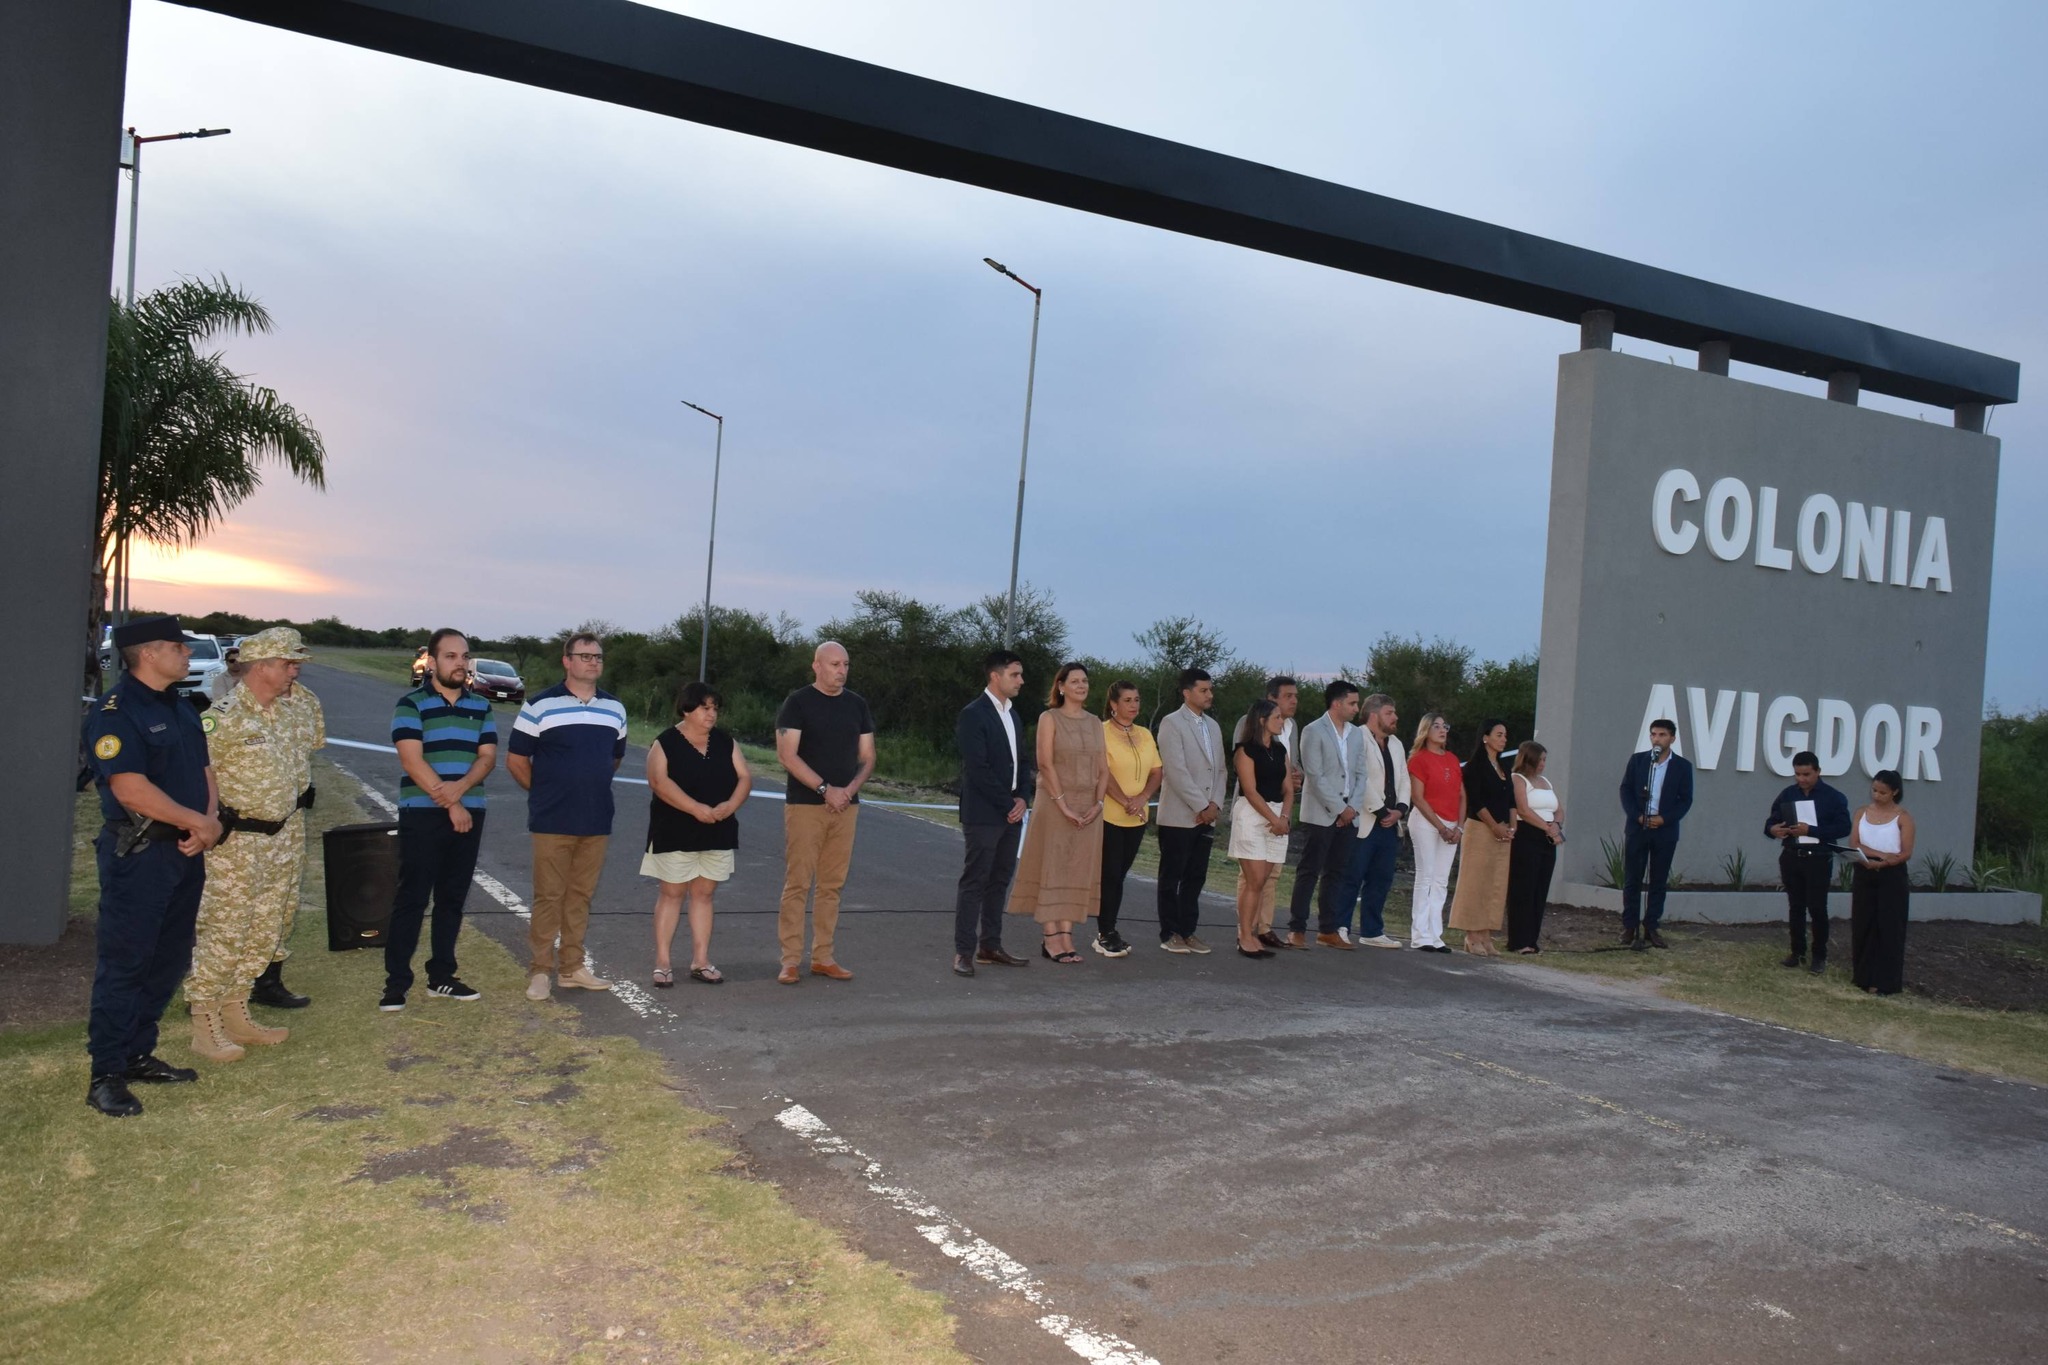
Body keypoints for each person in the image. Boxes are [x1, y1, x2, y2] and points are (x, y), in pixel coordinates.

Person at [81, 616, 222, 1117]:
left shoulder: (181, 708)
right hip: (140, 855)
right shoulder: (117, 713)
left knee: (168, 959)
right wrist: (197, 824)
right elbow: (129, 788)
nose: (187, 655)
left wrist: (208, 821)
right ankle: (107, 1073)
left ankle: (139, 1053)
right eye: (178, 648)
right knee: (127, 963)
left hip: (184, 849)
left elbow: (204, 771)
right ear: (148, 653)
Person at [184, 628, 324, 1066]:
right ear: (260, 665)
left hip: (284, 836)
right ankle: (205, 1023)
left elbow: (306, 755)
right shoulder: (221, 717)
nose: (294, 670)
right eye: (287, 663)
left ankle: (237, 1009)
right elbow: (198, 777)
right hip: (237, 843)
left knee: (267, 926)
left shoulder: (294, 709)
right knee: (227, 929)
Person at [508, 633, 627, 1000]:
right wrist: (545, 794)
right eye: (584, 656)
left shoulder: (615, 709)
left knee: (580, 896)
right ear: (567, 661)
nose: (593, 662)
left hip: (595, 819)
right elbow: (515, 760)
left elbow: (614, 759)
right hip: (552, 820)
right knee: (549, 896)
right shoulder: (540, 705)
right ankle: (540, 971)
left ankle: (572, 968)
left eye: (598, 656)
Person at [383, 628, 497, 1010]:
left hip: (470, 811)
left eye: (464, 656)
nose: (460, 663)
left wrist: (461, 791)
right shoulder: (410, 704)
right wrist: (451, 803)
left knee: (452, 899)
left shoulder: (481, 706)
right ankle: (396, 984)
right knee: (412, 899)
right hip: (423, 813)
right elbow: (412, 760)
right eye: (450, 656)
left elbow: (487, 758)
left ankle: (442, 977)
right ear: (431, 662)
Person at [775, 641, 875, 984]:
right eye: (835, 664)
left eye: (846, 664)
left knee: (832, 885)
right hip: (806, 805)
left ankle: (823, 956)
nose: (842, 670)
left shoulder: (857, 705)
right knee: (798, 883)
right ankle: (790, 960)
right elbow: (787, 755)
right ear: (816, 666)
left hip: (846, 806)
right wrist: (824, 789)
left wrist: (849, 790)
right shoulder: (798, 703)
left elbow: (868, 757)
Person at [644, 680, 750, 986]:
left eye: (715, 708)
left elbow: (744, 777)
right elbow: (658, 782)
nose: (711, 713)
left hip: (718, 829)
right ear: (687, 709)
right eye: (705, 707)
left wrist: (731, 805)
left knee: (704, 894)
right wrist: (694, 808)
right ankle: (663, 962)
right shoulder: (665, 742)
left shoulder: (726, 742)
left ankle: (701, 961)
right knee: (672, 893)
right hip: (674, 830)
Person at [1009, 662, 1109, 964]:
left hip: (1089, 808)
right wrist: (1063, 804)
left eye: (1085, 681)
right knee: (1052, 865)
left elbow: (1104, 767)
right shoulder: (1049, 718)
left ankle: (1067, 933)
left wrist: (1098, 803)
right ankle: (1050, 935)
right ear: (1061, 686)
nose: (1081, 686)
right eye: (1075, 681)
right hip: (1055, 804)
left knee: (1077, 867)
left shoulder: (1094, 722)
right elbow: (1046, 762)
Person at [952, 650, 1036, 977]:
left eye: (1021, 674)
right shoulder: (973, 714)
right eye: (1015, 674)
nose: (1021, 681)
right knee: (975, 881)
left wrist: (1023, 799)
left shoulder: (1013, 714)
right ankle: (963, 952)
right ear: (995, 676)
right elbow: (977, 768)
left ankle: (990, 945)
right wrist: (1008, 803)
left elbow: (1024, 762)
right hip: (984, 813)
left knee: (999, 881)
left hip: (1011, 812)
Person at [1155, 667, 1226, 954]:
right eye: (1203, 690)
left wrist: (1215, 805)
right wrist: (1200, 805)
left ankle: (1188, 930)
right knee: (1172, 876)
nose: (1209, 694)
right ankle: (1170, 931)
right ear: (1187, 693)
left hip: (1206, 816)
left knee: (1196, 876)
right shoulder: (1171, 723)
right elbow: (1176, 770)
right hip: (1179, 815)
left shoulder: (1214, 726)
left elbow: (1220, 769)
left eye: (1210, 689)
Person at [1330, 693, 1409, 949]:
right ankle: (1339, 926)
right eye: (1389, 712)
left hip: (1390, 822)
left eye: (1394, 712)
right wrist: (1381, 810)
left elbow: (1404, 779)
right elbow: (1358, 778)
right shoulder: (1357, 737)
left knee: (1382, 877)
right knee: (1352, 875)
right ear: (1374, 715)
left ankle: (1372, 930)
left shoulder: (1395, 743)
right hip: (1365, 819)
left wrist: (1400, 809)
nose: (1395, 717)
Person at [1290, 681, 1364, 950]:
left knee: (1337, 873)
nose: (1357, 708)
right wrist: (1339, 808)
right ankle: (1297, 928)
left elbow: (1361, 774)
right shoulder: (1313, 730)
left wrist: (1352, 808)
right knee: (1309, 871)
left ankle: (1328, 929)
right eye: (1352, 703)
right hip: (1321, 813)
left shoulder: (1356, 735)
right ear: (1337, 703)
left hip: (1349, 813)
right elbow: (1315, 774)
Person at [1765, 750, 1852, 974]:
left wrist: (1811, 830)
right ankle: (1797, 952)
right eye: (1797, 774)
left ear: (1817, 772)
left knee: (1817, 908)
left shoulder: (1833, 797)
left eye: (1806, 774)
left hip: (1818, 859)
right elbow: (1771, 821)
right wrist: (1774, 829)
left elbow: (1844, 828)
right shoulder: (1788, 794)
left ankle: (1819, 956)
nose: (1802, 779)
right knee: (1796, 907)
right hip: (1792, 856)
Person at [1230, 677, 1300, 948]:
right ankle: (1245, 935)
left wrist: (1283, 818)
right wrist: (1273, 819)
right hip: (1253, 815)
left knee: (1266, 880)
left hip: (1276, 817)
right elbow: (1250, 790)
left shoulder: (1280, 749)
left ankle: (1258, 931)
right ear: (1262, 719)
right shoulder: (1245, 751)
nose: (1281, 722)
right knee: (1254, 879)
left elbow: (1288, 788)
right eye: (1277, 717)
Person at [1097, 680, 1162, 958]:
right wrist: (1125, 800)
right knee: (1109, 874)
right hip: (1110, 815)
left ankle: (1109, 926)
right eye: (1127, 700)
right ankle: (1105, 932)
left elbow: (1157, 771)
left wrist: (1143, 798)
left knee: (1119, 875)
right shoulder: (1100, 732)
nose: (1134, 705)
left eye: (1137, 700)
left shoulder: (1146, 734)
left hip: (1137, 817)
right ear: (1113, 704)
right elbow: (1102, 772)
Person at [1618, 718, 1694, 950]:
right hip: (1638, 828)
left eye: (1662, 735)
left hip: (1664, 831)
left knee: (1658, 880)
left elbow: (1685, 800)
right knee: (1633, 878)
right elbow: (1626, 789)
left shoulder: (1682, 766)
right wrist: (1637, 815)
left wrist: (1665, 818)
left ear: (1672, 738)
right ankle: (1629, 926)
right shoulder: (1639, 760)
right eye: (1653, 734)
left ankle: (1652, 925)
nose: (1656, 739)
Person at [1449, 719, 1515, 955]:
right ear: (1485, 737)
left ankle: (1486, 935)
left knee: (1495, 884)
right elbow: (1476, 801)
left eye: (1505, 735)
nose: (1503, 739)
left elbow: (1511, 801)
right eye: (1499, 734)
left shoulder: (1504, 766)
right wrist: (1494, 826)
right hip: (1480, 829)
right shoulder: (1475, 767)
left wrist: (1511, 827)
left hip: (1503, 832)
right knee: (1475, 882)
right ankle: (1472, 934)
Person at [1848, 770, 1914, 996]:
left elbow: (1905, 852)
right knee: (1863, 922)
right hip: (1865, 870)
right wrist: (1874, 857)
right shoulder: (1861, 813)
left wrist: (1885, 863)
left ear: (1894, 792)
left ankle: (1886, 981)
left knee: (1889, 926)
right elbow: (1854, 842)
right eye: (1874, 790)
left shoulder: (1903, 817)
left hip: (1891, 875)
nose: (1877, 796)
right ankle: (1863, 976)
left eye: (1883, 792)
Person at [1405, 711, 1464, 954]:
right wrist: (1440, 827)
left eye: (1444, 725)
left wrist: (1459, 826)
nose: (1442, 730)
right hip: (1427, 822)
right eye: (1436, 726)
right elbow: (1417, 797)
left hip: (1451, 823)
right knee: (1426, 876)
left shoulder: (1452, 758)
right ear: (1426, 730)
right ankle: (1420, 935)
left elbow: (1461, 795)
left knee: (1441, 880)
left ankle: (1436, 935)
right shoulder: (1418, 759)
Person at [1505, 740, 1564, 954]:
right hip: (1527, 835)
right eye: (1540, 760)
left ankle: (1533, 938)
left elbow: (1558, 809)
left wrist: (1556, 825)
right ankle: (1519, 940)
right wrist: (1546, 828)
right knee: (1524, 888)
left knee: (1540, 887)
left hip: (1548, 838)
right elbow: (1524, 809)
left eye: (1545, 760)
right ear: (1529, 759)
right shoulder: (1518, 779)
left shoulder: (1545, 782)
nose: (1543, 764)